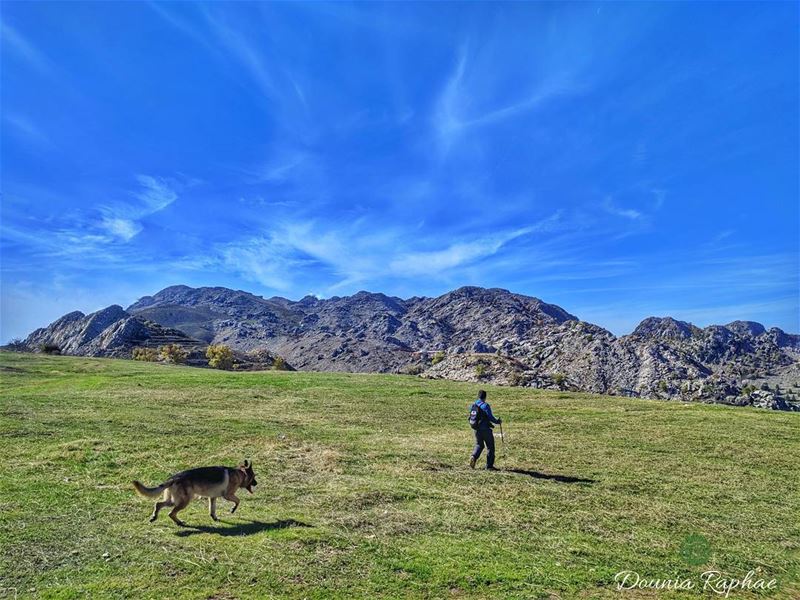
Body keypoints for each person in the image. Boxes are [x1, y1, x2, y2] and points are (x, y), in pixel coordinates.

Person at [469, 390, 501, 470]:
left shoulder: (474, 405)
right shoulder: (485, 405)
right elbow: (490, 417)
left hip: (476, 429)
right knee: (490, 447)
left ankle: (474, 456)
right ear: (485, 397)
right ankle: (489, 466)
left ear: (478, 396)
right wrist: (497, 421)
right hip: (486, 429)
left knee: (479, 445)